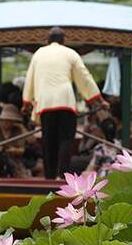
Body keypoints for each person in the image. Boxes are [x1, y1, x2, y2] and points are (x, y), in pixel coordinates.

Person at [22, 26, 109, 179]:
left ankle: (49, 177)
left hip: (46, 103)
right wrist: (98, 100)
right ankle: (62, 177)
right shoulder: (70, 53)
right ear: (63, 40)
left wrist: (26, 103)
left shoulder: (39, 54)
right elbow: (85, 78)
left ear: (47, 40)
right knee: (66, 140)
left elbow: (30, 79)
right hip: (66, 101)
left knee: (48, 141)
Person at [0, 103, 43, 178]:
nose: (7, 123)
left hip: (19, 159)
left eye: (10, 121)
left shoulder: (17, 130)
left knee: (40, 167)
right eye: (5, 120)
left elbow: (32, 141)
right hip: (3, 160)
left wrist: (21, 127)